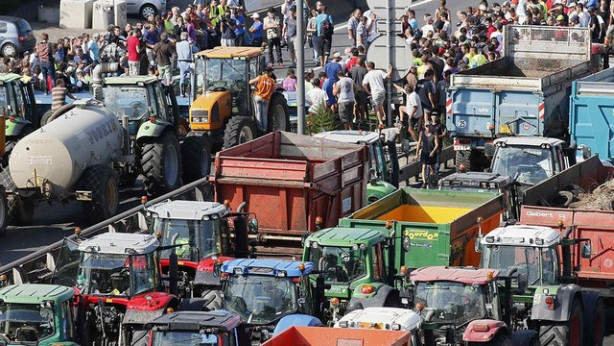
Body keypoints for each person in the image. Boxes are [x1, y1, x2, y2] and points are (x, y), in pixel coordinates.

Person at [249, 66, 276, 132]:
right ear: (269, 72)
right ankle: (264, 129)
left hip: (258, 97)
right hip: (266, 99)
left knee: (258, 113)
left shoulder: (260, 77)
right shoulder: (272, 81)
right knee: (264, 114)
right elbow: (273, 90)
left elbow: (250, 82)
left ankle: (259, 128)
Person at [415, 124, 439, 188]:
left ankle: (431, 180)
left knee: (432, 168)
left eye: (429, 126)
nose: (428, 128)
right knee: (424, 166)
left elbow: (437, 144)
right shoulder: (422, 133)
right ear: (424, 127)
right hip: (424, 152)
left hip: (431, 152)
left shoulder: (434, 133)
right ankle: (424, 182)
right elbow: (419, 143)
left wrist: (433, 152)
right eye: (426, 126)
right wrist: (417, 154)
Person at [176, 32, 197, 97]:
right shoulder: (189, 44)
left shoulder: (177, 44)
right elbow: (196, 50)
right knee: (193, 75)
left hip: (180, 62)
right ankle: (193, 92)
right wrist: (192, 43)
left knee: (182, 77)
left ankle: (182, 93)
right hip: (188, 62)